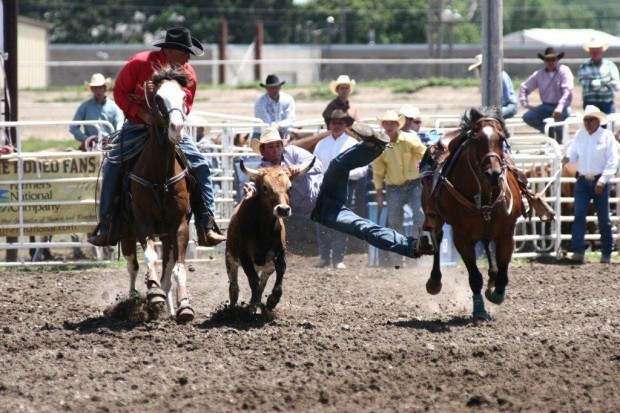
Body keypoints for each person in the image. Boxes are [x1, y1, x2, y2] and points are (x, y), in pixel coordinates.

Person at [88, 27, 225, 247]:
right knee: (113, 165)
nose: (188, 57)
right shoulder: (140, 63)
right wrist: (142, 113)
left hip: (170, 127)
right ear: (170, 50)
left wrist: (166, 118)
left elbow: (186, 105)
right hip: (138, 125)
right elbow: (120, 93)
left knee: (200, 164)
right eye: (185, 51)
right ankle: (108, 225)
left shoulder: (187, 73)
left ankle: (207, 224)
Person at [247, 124, 419, 259]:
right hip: (321, 210)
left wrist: (298, 168)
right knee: (361, 227)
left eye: (278, 145)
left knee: (338, 164)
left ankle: (373, 147)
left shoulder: (292, 152)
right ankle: (410, 247)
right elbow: (257, 187)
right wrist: (250, 189)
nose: (276, 150)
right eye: (270, 147)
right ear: (263, 150)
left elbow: (317, 164)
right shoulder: (263, 172)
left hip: (325, 188)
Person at [312, 110, 367, 269]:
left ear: (346, 125)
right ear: (329, 124)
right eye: (334, 122)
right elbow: (314, 167)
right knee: (321, 222)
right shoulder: (321, 144)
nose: (336, 125)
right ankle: (324, 257)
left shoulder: (352, 144)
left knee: (341, 222)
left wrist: (343, 174)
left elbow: (362, 170)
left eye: (340, 123)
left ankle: (338, 258)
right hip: (323, 187)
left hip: (345, 187)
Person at [564, 105, 618, 264]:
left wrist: (603, 180)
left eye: (590, 120)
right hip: (582, 180)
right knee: (579, 215)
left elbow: (613, 161)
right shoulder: (580, 135)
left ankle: (606, 252)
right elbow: (574, 154)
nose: (587, 122)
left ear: (598, 121)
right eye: (586, 120)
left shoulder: (607, 136)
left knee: (603, 218)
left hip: (599, 180)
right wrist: (568, 158)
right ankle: (578, 251)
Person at [372, 110, 426, 264]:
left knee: (420, 217)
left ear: (397, 125)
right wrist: (379, 193)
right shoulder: (380, 145)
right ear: (383, 126)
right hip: (394, 186)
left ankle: (414, 251)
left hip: (414, 183)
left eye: (392, 123)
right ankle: (399, 255)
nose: (389, 126)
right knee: (395, 221)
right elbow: (378, 171)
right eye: (386, 123)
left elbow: (423, 153)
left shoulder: (410, 140)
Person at [519, 47, 574, 141]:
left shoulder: (564, 71)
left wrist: (560, 107)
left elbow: (567, 91)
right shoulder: (539, 74)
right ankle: (549, 131)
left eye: (553, 59)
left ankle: (559, 139)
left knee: (560, 122)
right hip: (546, 105)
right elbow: (524, 87)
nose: (550, 62)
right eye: (548, 59)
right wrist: (525, 103)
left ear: (557, 60)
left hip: (563, 107)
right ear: (544, 61)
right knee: (528, 117)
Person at [69, 73, 124, 150]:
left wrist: (113, 140)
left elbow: (119, 124)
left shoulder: (113, 107)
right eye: (95, 88)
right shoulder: (85, 106)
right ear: (91, 89)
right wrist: (86, 139)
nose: (98, 90)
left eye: (100, 87)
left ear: (105, 88)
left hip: (108, 145)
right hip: (90, 146)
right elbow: (73, 127)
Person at [468, 54, 518, 119]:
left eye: (480, 67)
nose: (479, 69)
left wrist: (492, 110)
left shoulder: (501, 75)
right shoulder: (487, 79)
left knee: (492, 116)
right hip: (496, 107)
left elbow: (506, 100)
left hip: (510, 106)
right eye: (478, 67)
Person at [578, 38, 619, 114]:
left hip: (608, 105)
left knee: (609, 125)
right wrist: (605, 81)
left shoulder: (610, 65)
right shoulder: (584, 67)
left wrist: (593, 83)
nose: (595, 51)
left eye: (597, 49)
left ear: (601, 50)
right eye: (592, 49)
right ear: (589, 51)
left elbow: (616, 85)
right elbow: (585, 86)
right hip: (590, 104)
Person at [253, 74, 296, 140]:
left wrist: (279, 125)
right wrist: (279, 126)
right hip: (263, 133)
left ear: (280, 87)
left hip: (283, 132)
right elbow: (266, 122)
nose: (273, 90)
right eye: (270, 88)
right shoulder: (260, 102)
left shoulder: (288, 100)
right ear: (266, 89)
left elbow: (291, 119)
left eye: (275, 87)